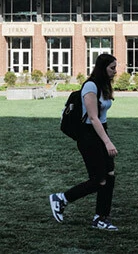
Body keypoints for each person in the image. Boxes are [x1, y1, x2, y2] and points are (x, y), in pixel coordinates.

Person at [49, 53, 119, 231]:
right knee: (98, 180)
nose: (115, 71)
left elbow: (101, 118)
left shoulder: (104, 85)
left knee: (109, 175)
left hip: (101, 131)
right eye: (112, 68)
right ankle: (62, 198)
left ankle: (101, 218)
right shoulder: (90, 86)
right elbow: (93, 118)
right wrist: (108, 142)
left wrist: (106, 138)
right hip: (89, 136)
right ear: (102, 68)